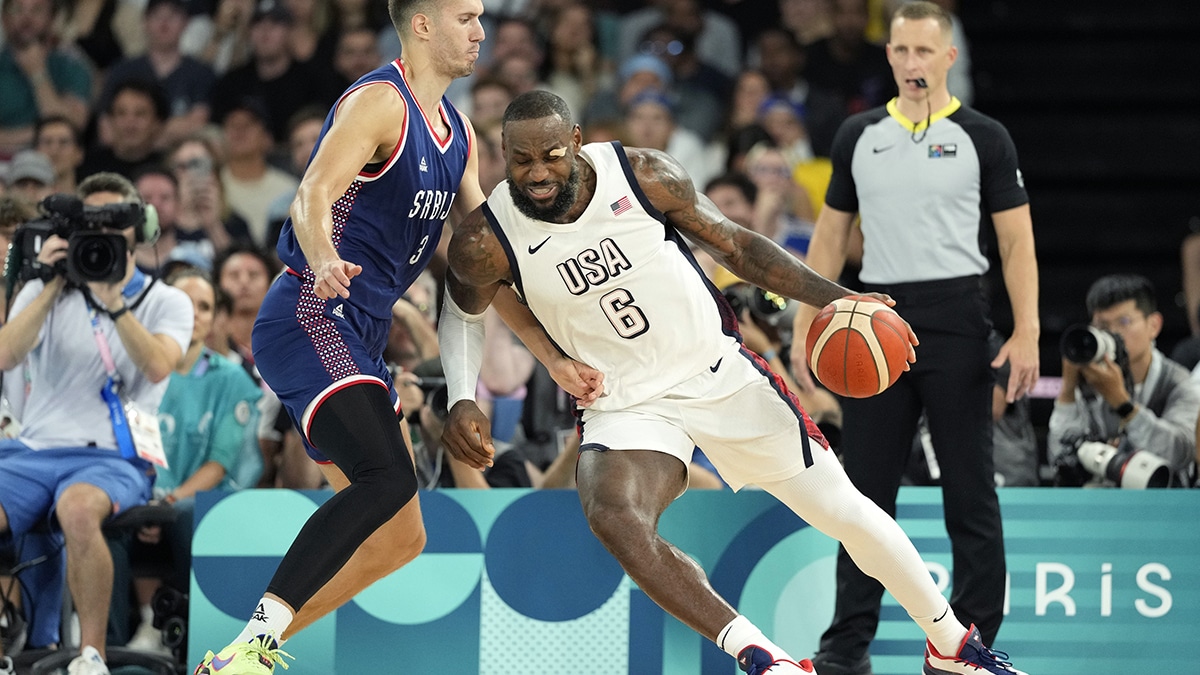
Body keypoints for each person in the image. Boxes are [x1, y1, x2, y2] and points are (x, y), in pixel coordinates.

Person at [439, 89, 1027, 675]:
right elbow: (462, 314)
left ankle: (951, 646)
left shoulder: (642, 174)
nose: (537, 172)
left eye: (550, 155)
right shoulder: (486, 237)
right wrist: (462, 394)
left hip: (717, 372)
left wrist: (840, 300)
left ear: (575, 141)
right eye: (521, 160)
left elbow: (740, 247)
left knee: (845, 510)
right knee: (613, 513)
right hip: (623, 399)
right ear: (503, 153)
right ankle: (764, 659)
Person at [190, 1, 600, 672]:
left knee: (401, 537)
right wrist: (323, 255)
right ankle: (255, 642)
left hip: (361, 334)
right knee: (383, 478)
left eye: (482, 17)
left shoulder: (461, 135)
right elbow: (312, 191)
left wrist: (553, 355)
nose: (480, 30)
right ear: (422, 24)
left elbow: (488, 268)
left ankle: (249, 649)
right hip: (312, 311)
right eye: (466, 16)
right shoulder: (381, 102)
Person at [789, 4, 1039, 673]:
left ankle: (967, 644)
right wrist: (804, 318)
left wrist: (1028, 329)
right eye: (901, 51)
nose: (912, 64)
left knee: (970, 491)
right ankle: (846, 648)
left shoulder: (985, 136)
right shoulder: (858, 134)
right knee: (861, 496)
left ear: (949, 57)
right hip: (875, 317)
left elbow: (1016, 240)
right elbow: (831, 236)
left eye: (925, 52)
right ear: (890, 55)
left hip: (959, 314)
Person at [0, 172, 192, 675]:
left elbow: (157, 365)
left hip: (113, 455)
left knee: (78, 510)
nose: (100, 231)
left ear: (139, 228)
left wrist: (114, 301)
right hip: (33, 450)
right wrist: (48, 284)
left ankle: (92, 656)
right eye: (88, 222)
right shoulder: (42, 290)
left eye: (112, 221)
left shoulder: (165, 300)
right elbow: (5, 353)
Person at [1047, 274, 1200, 488]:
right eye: (1102, 325)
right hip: (1098, 503)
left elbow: (1179, 454)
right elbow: (1058, 456)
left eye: (1124, 322)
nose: (1113, 333)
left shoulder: (1178, 382)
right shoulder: (1092, 378)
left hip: (1163, 505)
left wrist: (1122, 404)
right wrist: (1068, 391)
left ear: (1153, 325)